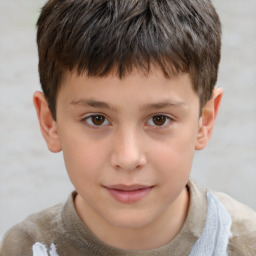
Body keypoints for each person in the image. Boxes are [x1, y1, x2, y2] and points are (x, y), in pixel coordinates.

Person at [1, 0, 256, 255]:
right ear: (50, 123)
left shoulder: (246, 242)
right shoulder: (25, 248)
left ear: (205, 120)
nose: (128, 158)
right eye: (96, 119)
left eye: (159, 119)